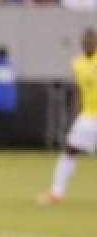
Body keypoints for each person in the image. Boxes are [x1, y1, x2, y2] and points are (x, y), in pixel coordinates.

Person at [38, 28, 97, 204]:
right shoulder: (77, 63)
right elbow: (79, 91)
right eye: (85, 40)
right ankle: (57, 192)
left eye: (91, 40)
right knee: (70, 151)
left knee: (70, 151)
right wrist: (74, 116)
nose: (87, 43)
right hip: (88, 116)